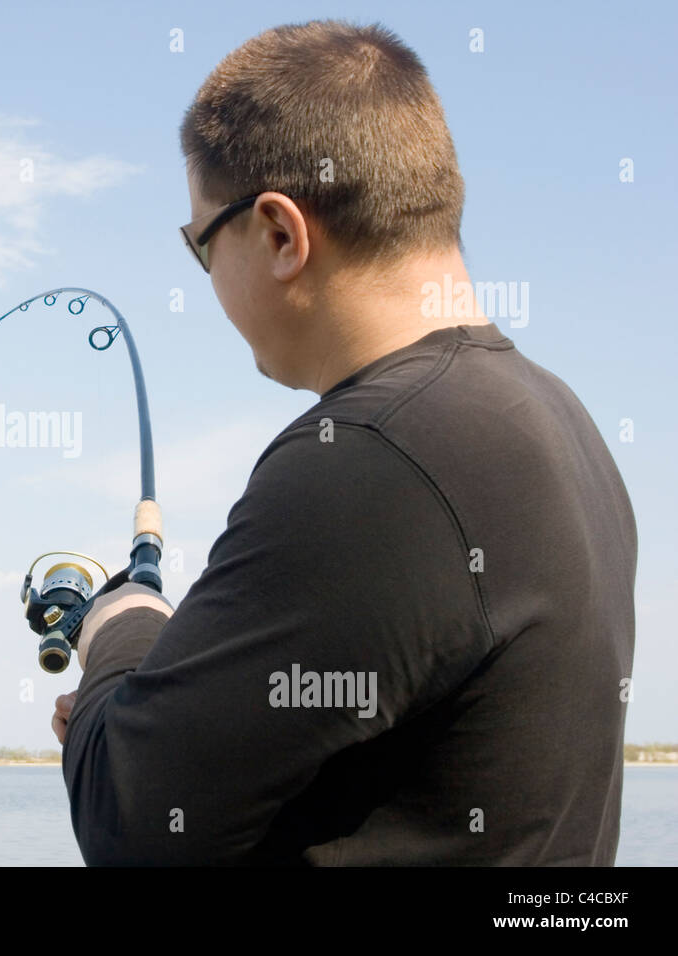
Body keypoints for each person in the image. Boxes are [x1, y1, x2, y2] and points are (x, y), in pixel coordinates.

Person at [51, 19, 637, 866]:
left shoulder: (369, 457)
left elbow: (132, 821)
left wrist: (123, 627)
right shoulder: (563, 424)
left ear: (282, 234)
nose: (204, 274)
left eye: (199, 243)